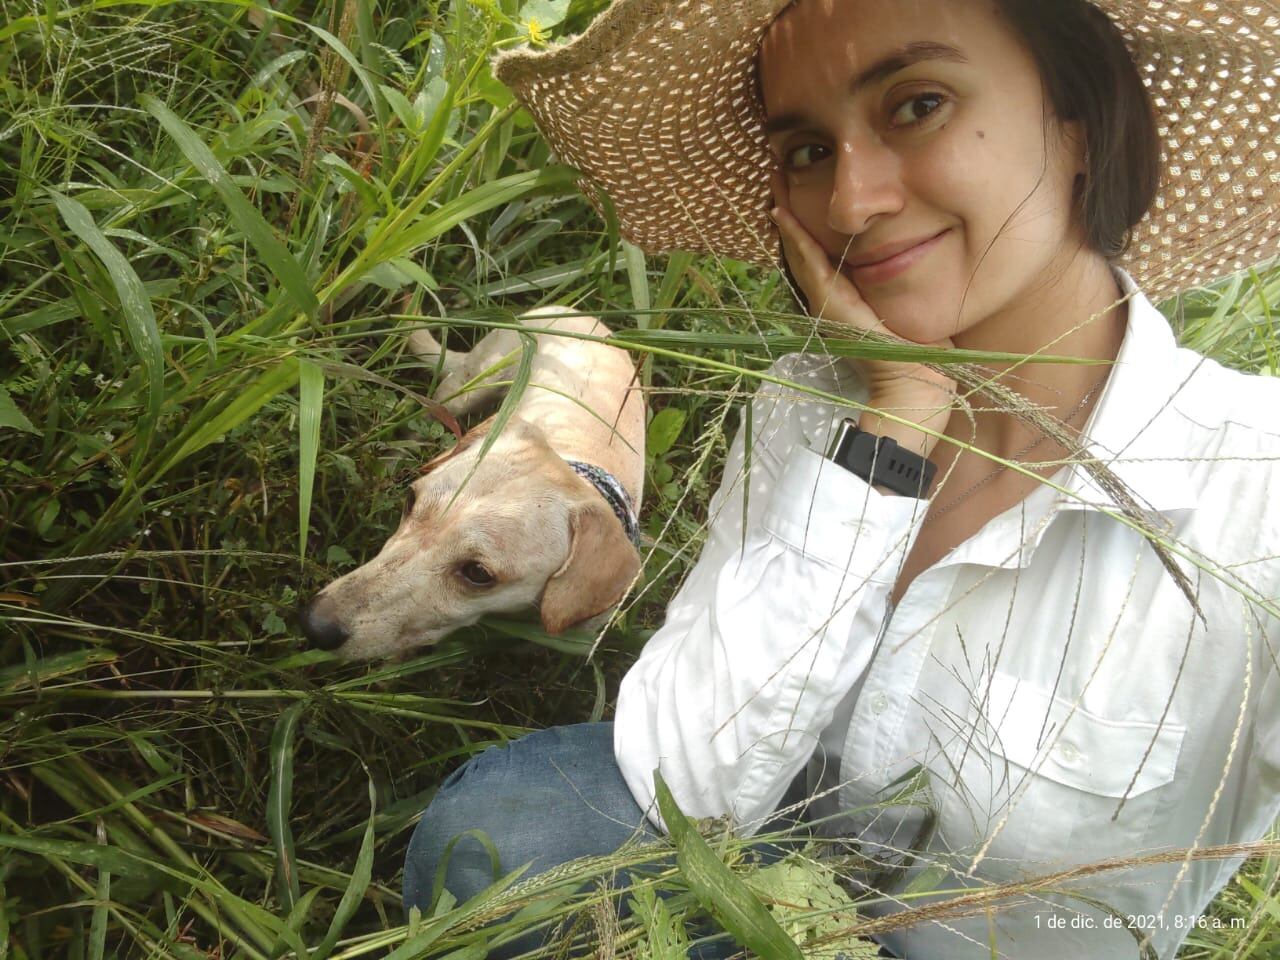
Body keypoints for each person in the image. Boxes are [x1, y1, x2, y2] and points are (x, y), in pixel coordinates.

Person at [403, 0, 1280, 957]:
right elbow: (679, 782)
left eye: (918, 105)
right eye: (808, 150)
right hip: (761, 890)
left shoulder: (1255, 487)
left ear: (1077, 124)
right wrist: (895, 420)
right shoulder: (803, 401)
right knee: (504, 834)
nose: (851, 203)